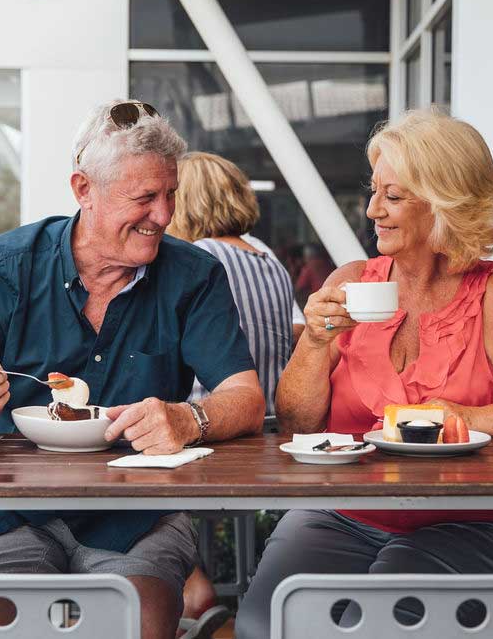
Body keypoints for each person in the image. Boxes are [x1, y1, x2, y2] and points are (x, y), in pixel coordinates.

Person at [235, 107, 493, 638]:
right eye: (374, 193)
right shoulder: (350, 283)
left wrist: (468, 416)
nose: (371, 210)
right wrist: (316, 344)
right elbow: (298, 426)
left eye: (392, 196)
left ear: (444, 203)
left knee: (384, 626)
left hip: (466, 519)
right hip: (341, 513)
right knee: (265, 624)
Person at [0, 99, 265, 639]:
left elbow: (246, 397)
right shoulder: (5, 264)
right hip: (8, 509)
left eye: (171, 194)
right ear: (84, 190)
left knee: (136, 624)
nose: (164, 215)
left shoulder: (194, 275)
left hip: (138, 513)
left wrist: (189, 419)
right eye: (145, 198)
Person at [167, 151, 297, 635]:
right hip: (266, 435)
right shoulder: (268, 258)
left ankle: (190, 584)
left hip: (216, 428)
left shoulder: (199, 260)